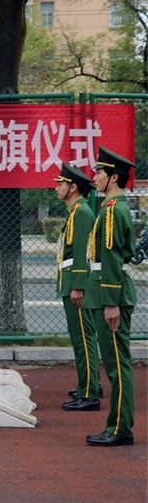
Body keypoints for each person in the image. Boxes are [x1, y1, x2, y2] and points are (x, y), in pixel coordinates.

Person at [85, 146, 138, 447]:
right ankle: (117, 424)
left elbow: (112, 258)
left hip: (110, 294)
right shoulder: (110, 207)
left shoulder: (113, 210)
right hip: (104, 291)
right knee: (115, 363)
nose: (94, 177)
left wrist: (111, 302)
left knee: (117, 365)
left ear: (113, 177)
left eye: (99, 172)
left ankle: (120, 428)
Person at [53, 164, 101, 411]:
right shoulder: (76, 211)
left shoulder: (81, 212)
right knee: (81, 337)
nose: (56, 188)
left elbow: (82, 252)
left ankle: (89, 393)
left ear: (73, 187)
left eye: (60, 184)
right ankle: (88, 384)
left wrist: (78, 286)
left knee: (83, 338)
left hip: (76, 284)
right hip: (71, 281)